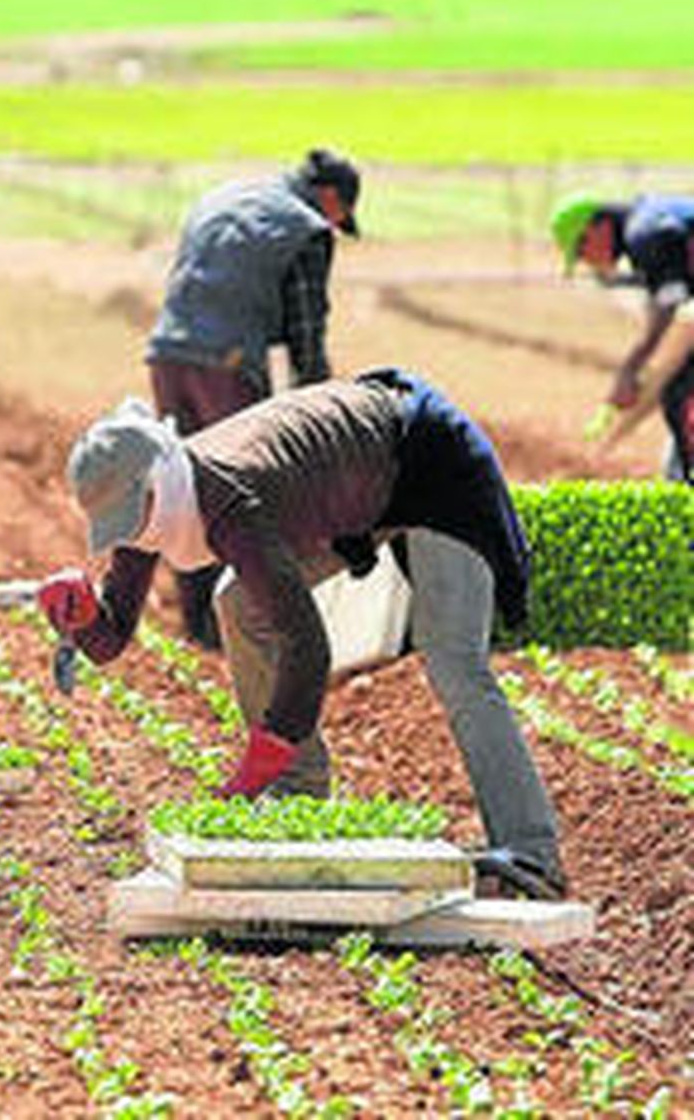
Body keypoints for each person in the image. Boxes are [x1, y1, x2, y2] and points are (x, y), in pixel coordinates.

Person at [38, 371, 567, 901]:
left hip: (426, 462)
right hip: (352, 485)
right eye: (118, 523)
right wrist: (84, 614)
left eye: (132, 515)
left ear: (155, 479)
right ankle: (300, 795)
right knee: (237, 600)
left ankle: (530, 852)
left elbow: (306, 644)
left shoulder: (228, 501)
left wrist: (268, 749)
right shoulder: (150, 510)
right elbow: (110, 639)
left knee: (453, 658)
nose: (131, 532)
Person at [144, 148, 361, 646]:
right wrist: (320, 423)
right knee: (241, 497)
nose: (335, 224)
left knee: (184, 486)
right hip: (226, 366)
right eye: (341, 216)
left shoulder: (225, 196)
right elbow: (307, 333)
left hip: (167, 356)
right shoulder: (306, 228)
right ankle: (249, 630)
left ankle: (198, 627)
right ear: (332, 198)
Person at [551, 193, 694, 478]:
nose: (587, 262)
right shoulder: (650, 218)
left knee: (680, 392)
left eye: (581, 251)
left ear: (598, 228)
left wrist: (631, 368)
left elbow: (672, 311)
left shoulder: (645, 234)